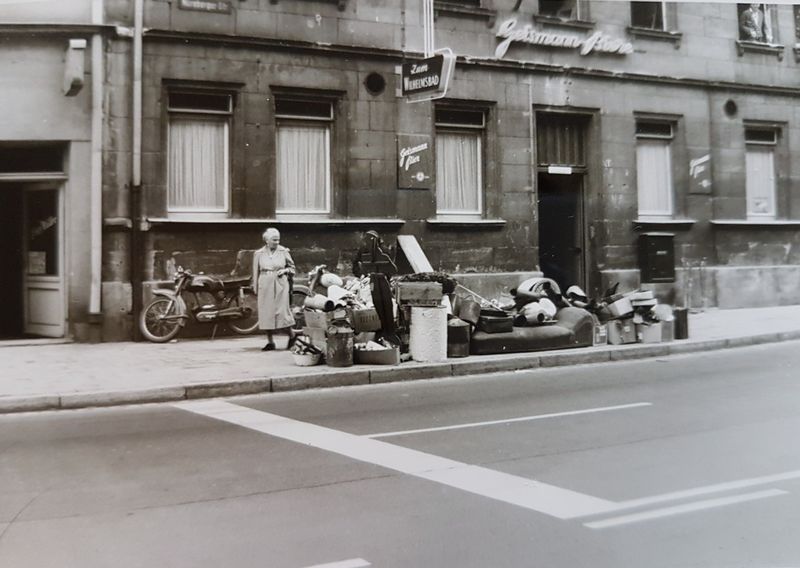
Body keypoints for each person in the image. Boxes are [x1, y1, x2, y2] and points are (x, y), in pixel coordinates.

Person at [252, 227, 296, 351]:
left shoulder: (283, 251)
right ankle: (270, 342)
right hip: (265, 284)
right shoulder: (259, 253)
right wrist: (255, 287)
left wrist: (285, 270)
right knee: (266, 313)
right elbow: (255, 271)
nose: (277, 242)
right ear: (266, 240)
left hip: (280, 284)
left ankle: (292, 335)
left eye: (278, 240)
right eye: (274, 240)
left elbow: (292, 268)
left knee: (282, 312)